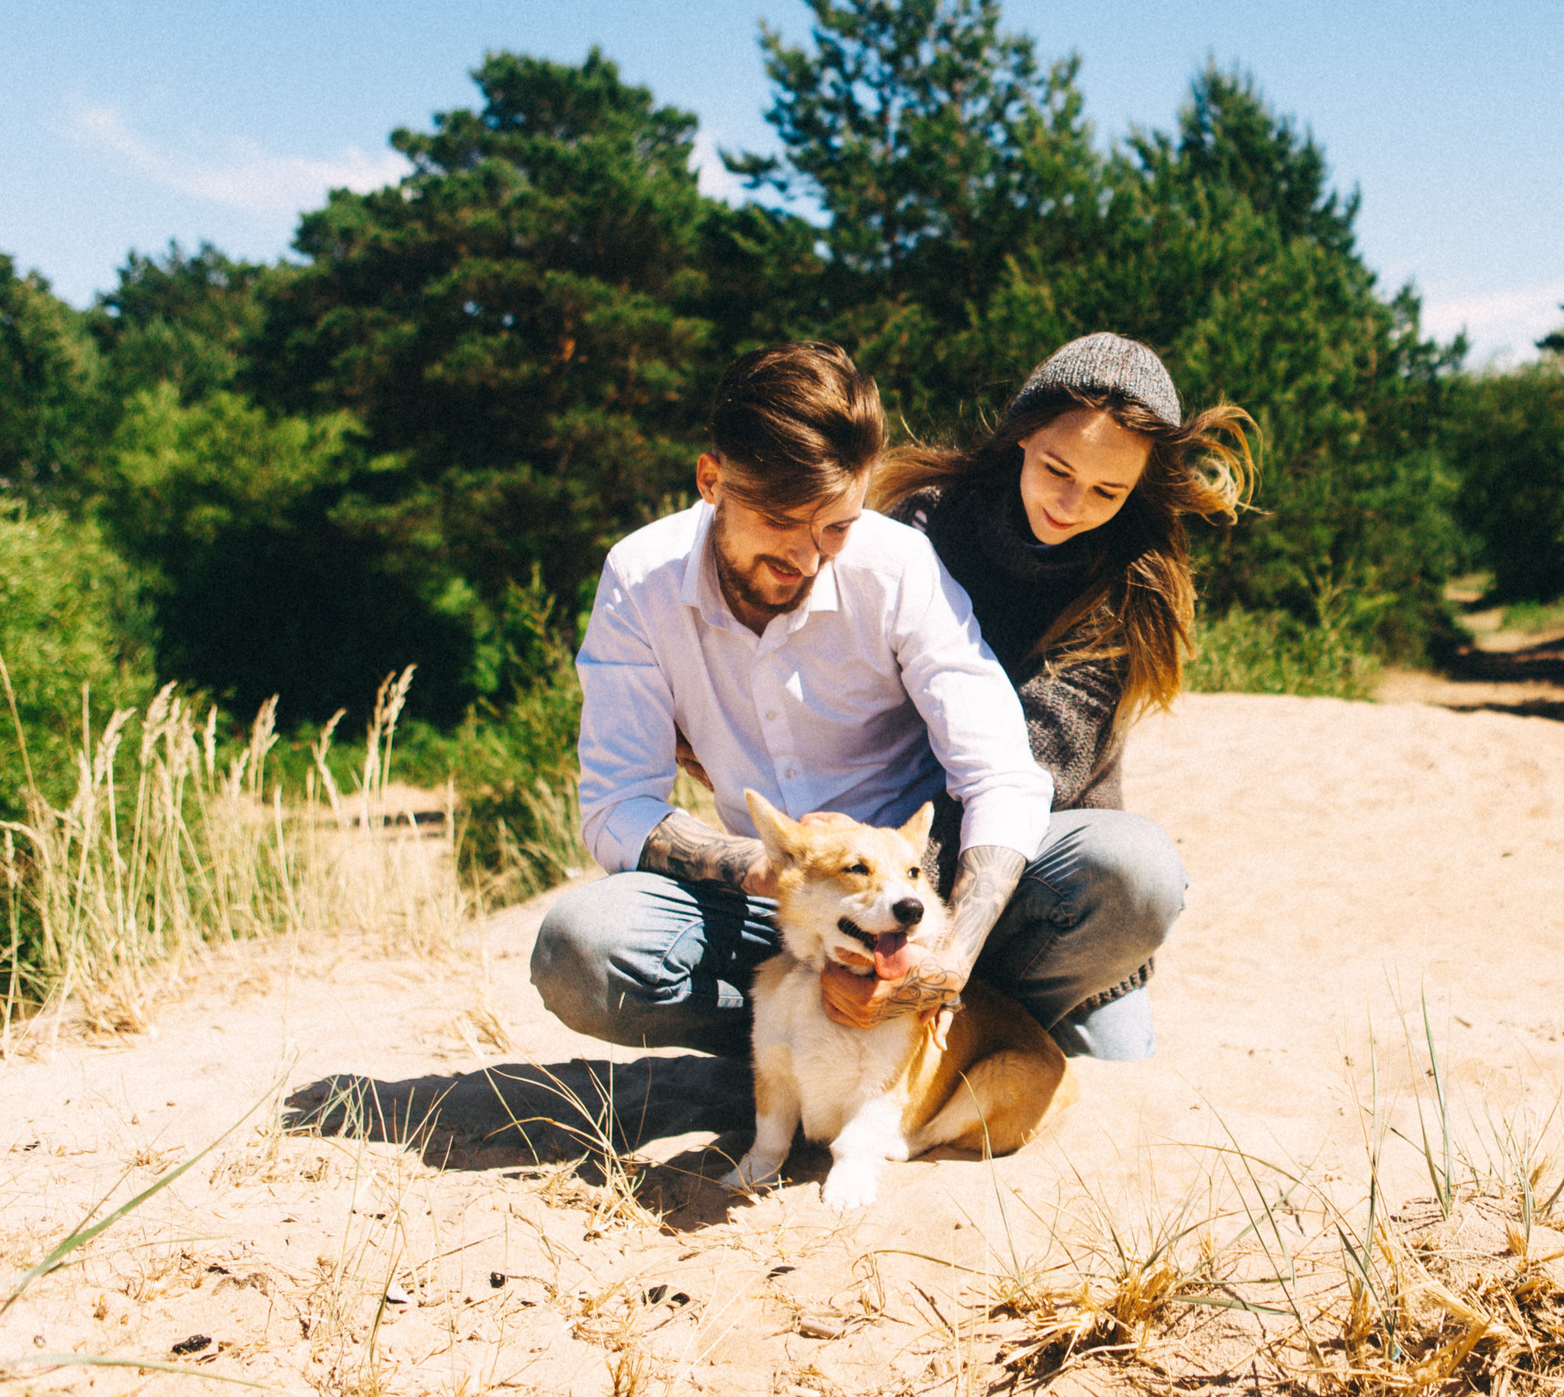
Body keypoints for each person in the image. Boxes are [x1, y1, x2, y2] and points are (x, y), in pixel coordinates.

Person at [528, 342, 1186, 1064]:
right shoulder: (639, 579)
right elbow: (617, 803)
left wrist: (939, 958)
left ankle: (946, 1031)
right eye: (781, 519)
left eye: (837, 525)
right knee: (582, 948)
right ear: (711, 480)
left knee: (1136, 870)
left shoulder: (898, 564)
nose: (808, 557)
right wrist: (776, 866)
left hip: (934, 891)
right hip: (777, 909)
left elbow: (1005, 774)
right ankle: (792, 1048)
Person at [871, 334, 1254, 1037]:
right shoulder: (927, 520)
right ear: (1022, 432)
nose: (1073, 504)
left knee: (1141, 873)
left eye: (1109, 491)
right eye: (1057, 469)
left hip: (1044, 877)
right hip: (891, 838)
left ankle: (1002, 1011)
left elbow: (1027, 770)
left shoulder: (1129, 586)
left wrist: (924, 914)